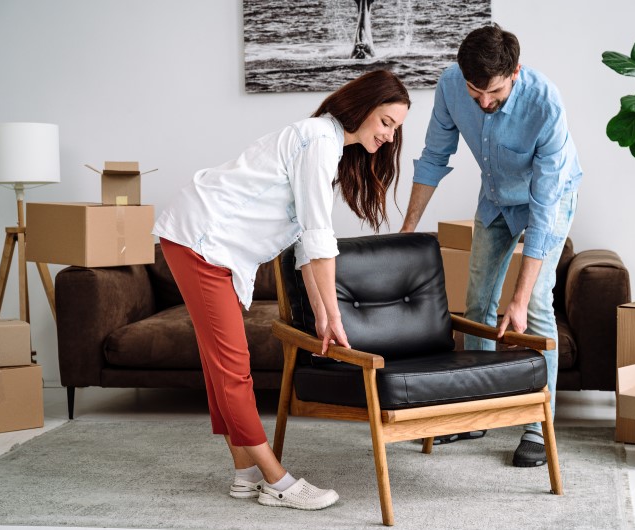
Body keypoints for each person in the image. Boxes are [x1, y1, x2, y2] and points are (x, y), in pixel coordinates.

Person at [152, 70, 410, 510]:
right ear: (364, 106)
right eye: (386, 122)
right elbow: (318, 237)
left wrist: (327, 316)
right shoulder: (319, 141)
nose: (389, 135)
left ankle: (244, 472)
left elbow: (305, 251)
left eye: (396, 128)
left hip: (208, 244)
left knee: (221, 365)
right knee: (233, 367)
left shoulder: (326, 148)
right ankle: (278, 481)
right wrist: (333, 314)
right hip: (202, 240)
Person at [400, 24, 581, 467]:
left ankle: (537, 426)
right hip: (497, 195)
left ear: (515, 72)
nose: (483, 102)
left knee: (535, 305)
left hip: (549, 200)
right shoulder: (450, 85)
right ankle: (476, 411)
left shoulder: (545, 104)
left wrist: (517, 299)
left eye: (494, 91)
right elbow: (434, 157)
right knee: (477, 300)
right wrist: (407, 230)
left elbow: (542, 211)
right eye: (474, 90)